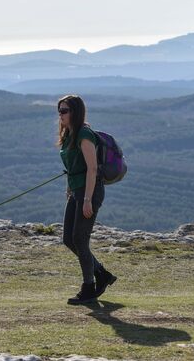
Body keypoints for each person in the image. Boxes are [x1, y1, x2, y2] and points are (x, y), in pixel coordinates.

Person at [57, 95, 117, 305]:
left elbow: (92, 169)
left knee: (80, 239)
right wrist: (70, 189)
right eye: (59, 110)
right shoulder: (69, 134)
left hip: (89, 192)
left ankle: (89, 287)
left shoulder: (84, 134)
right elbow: (72, 168)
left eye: (64, 110)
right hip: (76, 191)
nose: (60, 115)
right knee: (68, 238)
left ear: (75, 112)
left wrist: (87, 200)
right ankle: (101, 273)